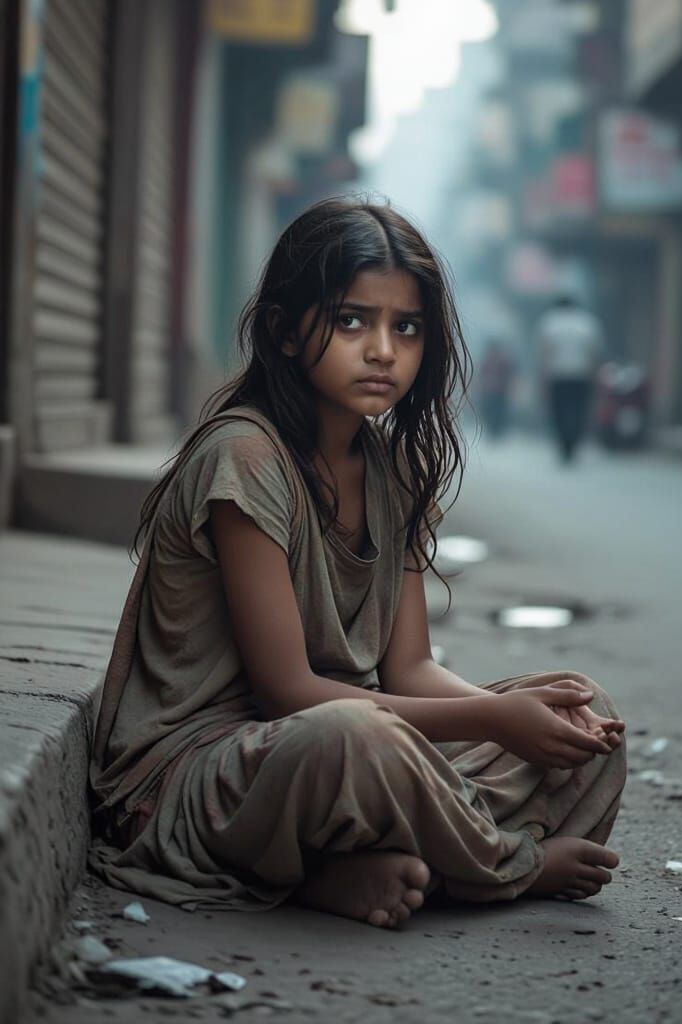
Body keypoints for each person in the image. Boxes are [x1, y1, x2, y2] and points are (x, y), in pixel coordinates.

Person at [90, 199, 626, 931]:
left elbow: (410, 671)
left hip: (344, 751)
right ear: (283, 331)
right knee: (357, 736)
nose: (383, 350)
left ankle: (353, 868)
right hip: (205, 775)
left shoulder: (394, 472)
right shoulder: (245, 458)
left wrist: (519, 722)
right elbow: (287, 692)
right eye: (352, 321)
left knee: (583, 714)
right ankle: (498, 867)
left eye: (405, 327)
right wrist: (494, 721)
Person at [536, 293, 604, 463]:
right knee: (579, 411)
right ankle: (573, 442)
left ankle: (564, 445)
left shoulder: (549, 322)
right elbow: (594, 352)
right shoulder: (587, 322)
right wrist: (594, 374)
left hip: (557, 376)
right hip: (581, 376)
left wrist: (543, 377)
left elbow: (544, 352)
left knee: (558, 412)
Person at [477, 339, 516, 438]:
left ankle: (498, 430)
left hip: (500, 391)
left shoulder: (502, 362)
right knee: (489, 410)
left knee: (499, 411)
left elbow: (508, 375)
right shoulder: (486, 362)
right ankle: (492, 429)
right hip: (488, 391)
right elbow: (481, 375)